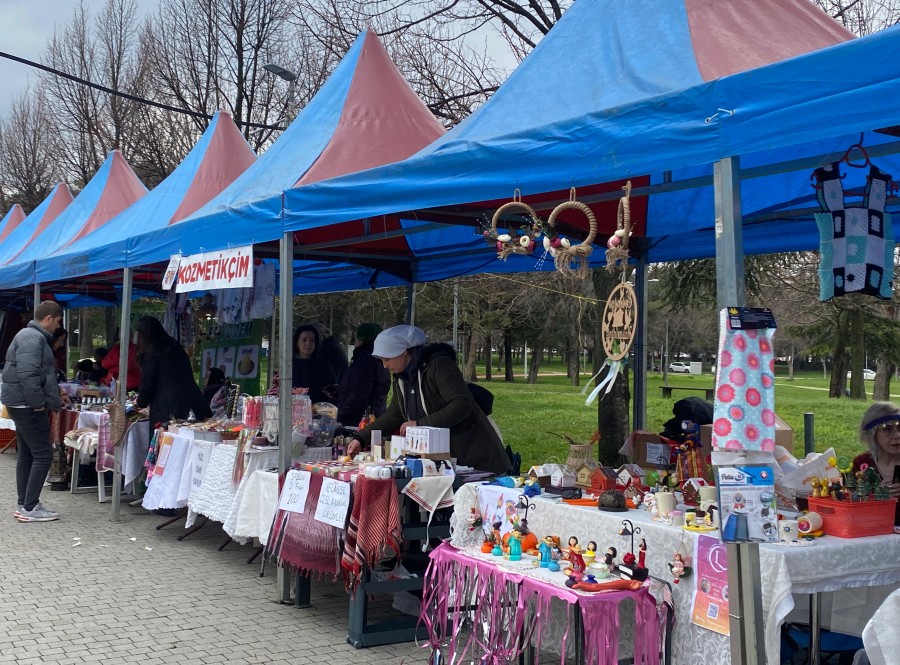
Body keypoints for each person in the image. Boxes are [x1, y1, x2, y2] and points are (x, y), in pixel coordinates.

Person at [347, 325, 510, 475]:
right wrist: (362, 437)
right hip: (444, 462)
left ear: (403, 352)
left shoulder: (439, 365)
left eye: (387, 359)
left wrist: (420, 424)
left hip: (474, 458)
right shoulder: (402, 378)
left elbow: (462, 403)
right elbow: (395, 414)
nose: (384, 365)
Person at [2, 301, 67, 522]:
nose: (58, 326)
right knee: (43, 453)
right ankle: (30, 507)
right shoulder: (33, 338)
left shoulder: (29, 336)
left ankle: (25, 503)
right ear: (48, 318)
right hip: (27, 404)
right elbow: (28, 374)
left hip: (20, 402)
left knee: (27, 453)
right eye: (57, 321)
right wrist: (38, 403)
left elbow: (35, 373)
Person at [135, 316, 211, 437]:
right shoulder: (174, 345)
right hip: (193, 400)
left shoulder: (152, 351)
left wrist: (140, 402)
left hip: (168, 406)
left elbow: (148, 383)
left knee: (165, 442)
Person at [853, 401, 900, 525]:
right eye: (887, 429)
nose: (897, 435)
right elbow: (849, 503)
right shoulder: (861, 464)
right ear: (872, 434)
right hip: (873, 529)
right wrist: (875, 496)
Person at [336, 323, 390, 426]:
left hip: (359, 420)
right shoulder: (380, 359)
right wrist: (340, 389)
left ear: (360, 339)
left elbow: (358, 394)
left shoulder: (364, 361)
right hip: (376, 414)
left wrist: (339, 416)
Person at [291, 324, 337, 404]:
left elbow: (333, 393)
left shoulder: (325, 367)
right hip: (293, 408)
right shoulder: (289, 366)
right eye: (304, 340)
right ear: (297, 342)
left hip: (318, 409)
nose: (308, 343)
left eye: (312, 340)